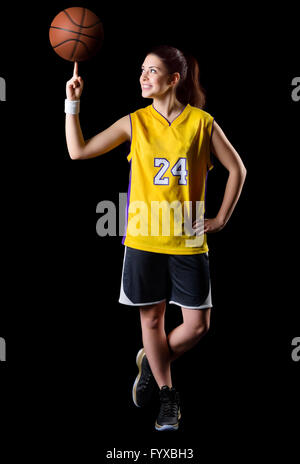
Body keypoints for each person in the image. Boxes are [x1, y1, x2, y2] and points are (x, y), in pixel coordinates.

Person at [65, 45, 247, 431]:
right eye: (142, 70)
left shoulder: (202, 123)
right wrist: (73, 105)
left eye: (152, 71)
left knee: (198, 327)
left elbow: (238, 170)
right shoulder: (135, 122)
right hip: (144, 239)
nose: (143, 77)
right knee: (152, 320)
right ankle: (168, 395)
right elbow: (77, 152)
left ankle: (152, 359)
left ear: (174, 79)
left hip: (187, 241)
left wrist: (220, 219)